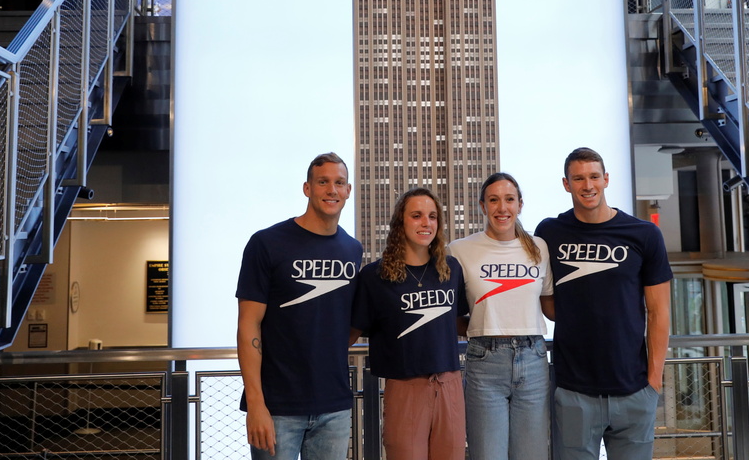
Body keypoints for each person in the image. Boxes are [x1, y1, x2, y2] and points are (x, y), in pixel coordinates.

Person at [534, 147, 673, 460]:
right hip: (574, 390)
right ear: (566, 184)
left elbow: (659, 312)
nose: (588, 185)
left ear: (606, 179)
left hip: (634, 389)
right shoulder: (549, 232)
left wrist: (653, 381)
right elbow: (546, 298)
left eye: (594, 176)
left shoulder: (644, 234)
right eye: (578, 178)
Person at [235, 152, 362, 460]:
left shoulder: (352, 250)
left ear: (348, 191)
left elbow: (347, 321)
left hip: (334, 406)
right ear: (307, 188)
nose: (332, 190)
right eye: (323, 182)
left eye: (339, 183)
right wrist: (256, 404)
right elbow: (248, 324)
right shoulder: (266, 243)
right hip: (277, 406)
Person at [351, 188, 468, 460]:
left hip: (449, 384)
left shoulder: (450, 269)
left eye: (432, 216)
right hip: (405, 387)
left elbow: (458, 322)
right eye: (416, 216)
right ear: (400, 222)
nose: (426, 223)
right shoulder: (375, 276)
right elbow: (353, 330)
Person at [448, 172, 554, 460]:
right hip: (485, 361)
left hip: (533, 358)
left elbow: (549, 305)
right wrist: (482, 327)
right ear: (483, 206)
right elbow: (450, 311)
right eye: (494, 200)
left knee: (532, 454)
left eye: (509, 199)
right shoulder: (459, 250)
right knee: (487, 454)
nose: (502, 207)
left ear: (520, 204)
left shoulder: (539, 248)